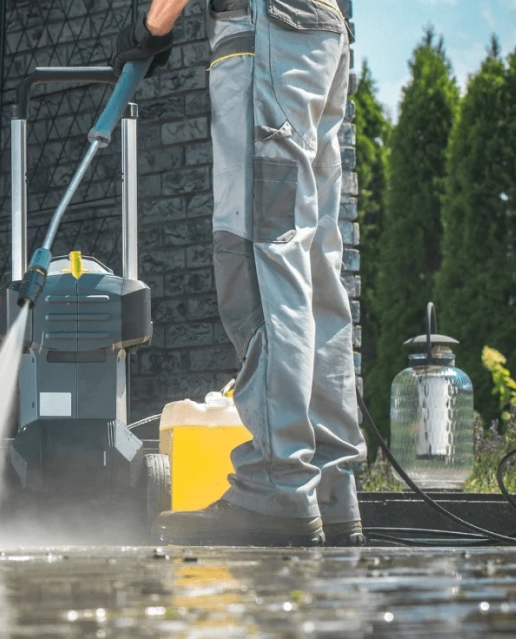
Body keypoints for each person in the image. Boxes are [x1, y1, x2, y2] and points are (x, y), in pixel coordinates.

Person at [112, 0, 363, 546]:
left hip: (264, 31)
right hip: (322, 35)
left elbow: (156, 21)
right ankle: (329, 490)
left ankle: (277, 486)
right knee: (313, 264)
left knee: (259, 252)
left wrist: (151, 26)